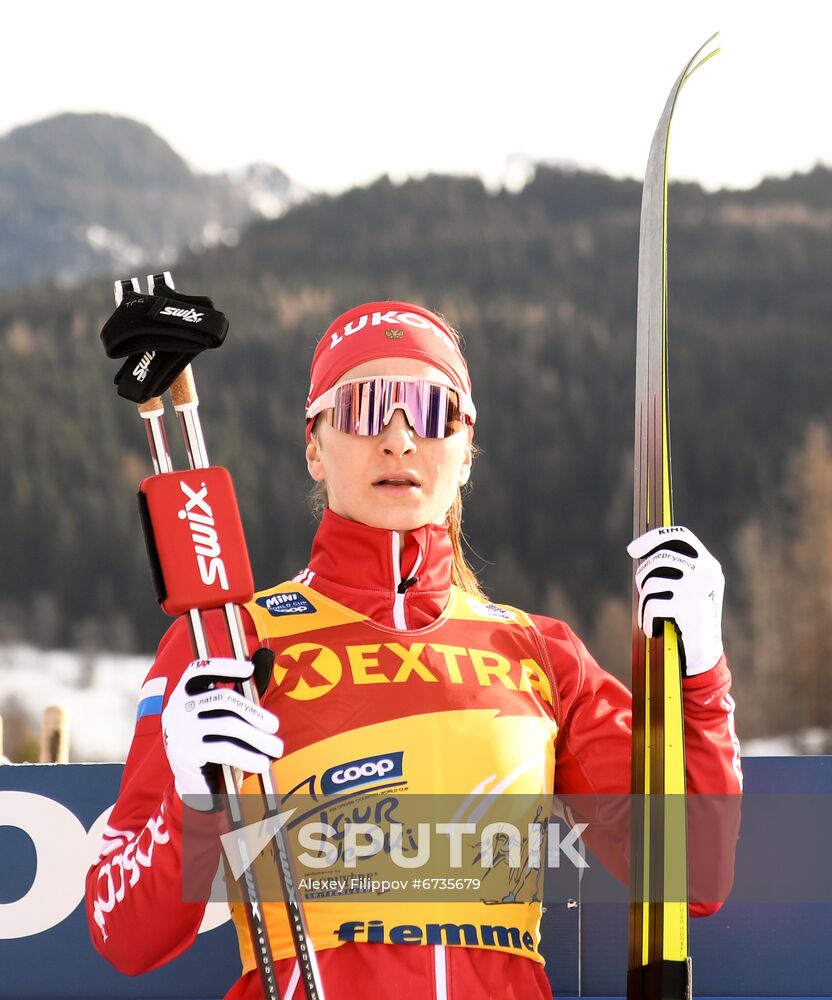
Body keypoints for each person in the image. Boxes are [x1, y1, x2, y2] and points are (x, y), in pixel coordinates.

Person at [86, 301, 743, 1000]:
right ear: (314, 444)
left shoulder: (541, 654)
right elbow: (127, 934)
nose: (399, 440)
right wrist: (192, 801)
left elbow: (691, 875)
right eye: (366, 408)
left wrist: (699, 676)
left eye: (432, 413)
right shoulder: (229, 642)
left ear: (465, 454)